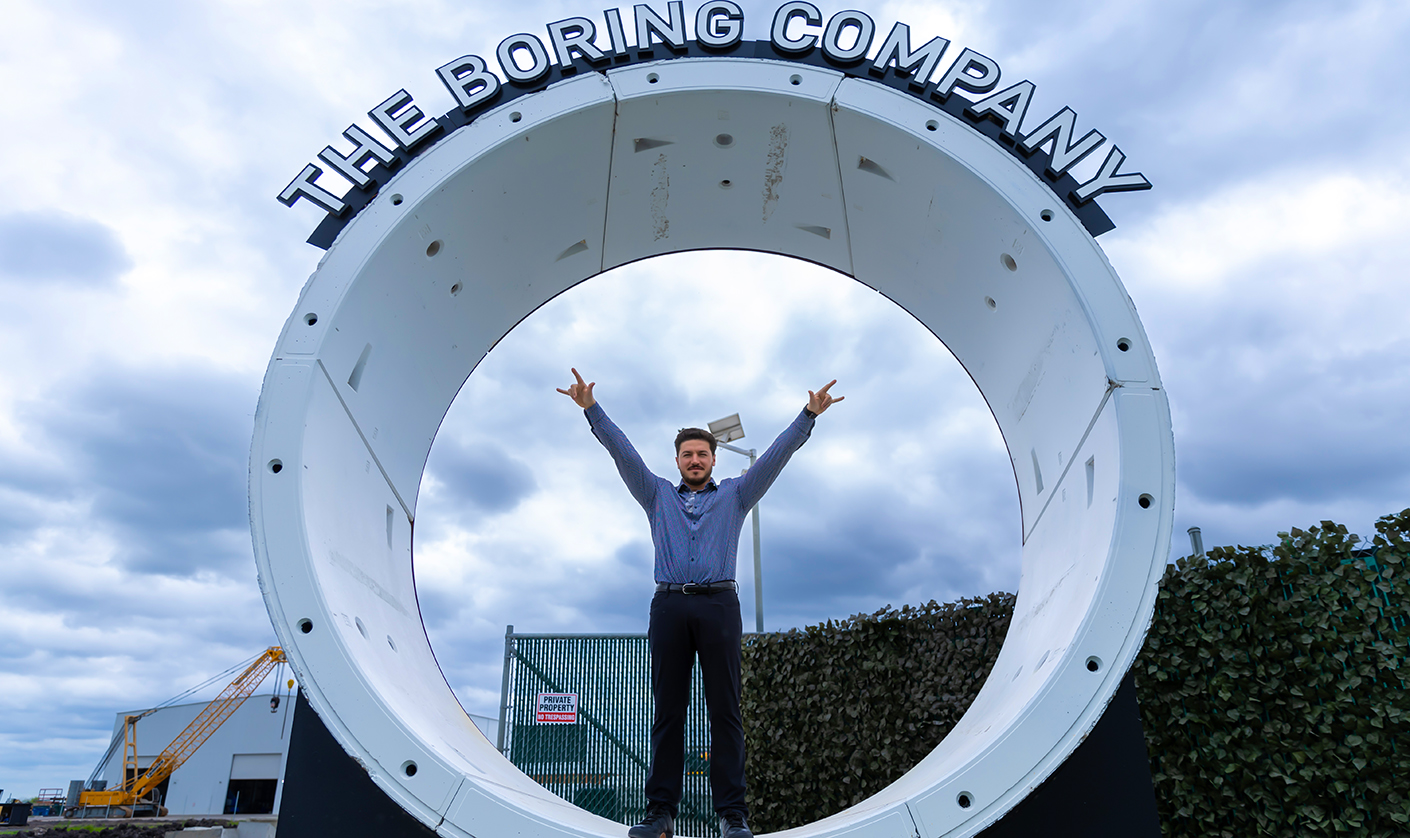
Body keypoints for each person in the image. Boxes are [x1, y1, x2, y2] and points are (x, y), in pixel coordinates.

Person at [557, 369, 844, 838]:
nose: (695, 460)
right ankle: (660, 814)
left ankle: (732, 816)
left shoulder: (736, 493)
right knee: (668, 712)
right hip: (669, 607)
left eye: (702, 454)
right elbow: (622, 452)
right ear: (677, 461)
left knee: (725, 711)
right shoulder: (656, 494)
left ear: (713, 459)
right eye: (688, 454)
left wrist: (807, 416)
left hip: (719, 607)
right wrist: (592, 410)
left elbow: (776, 457)